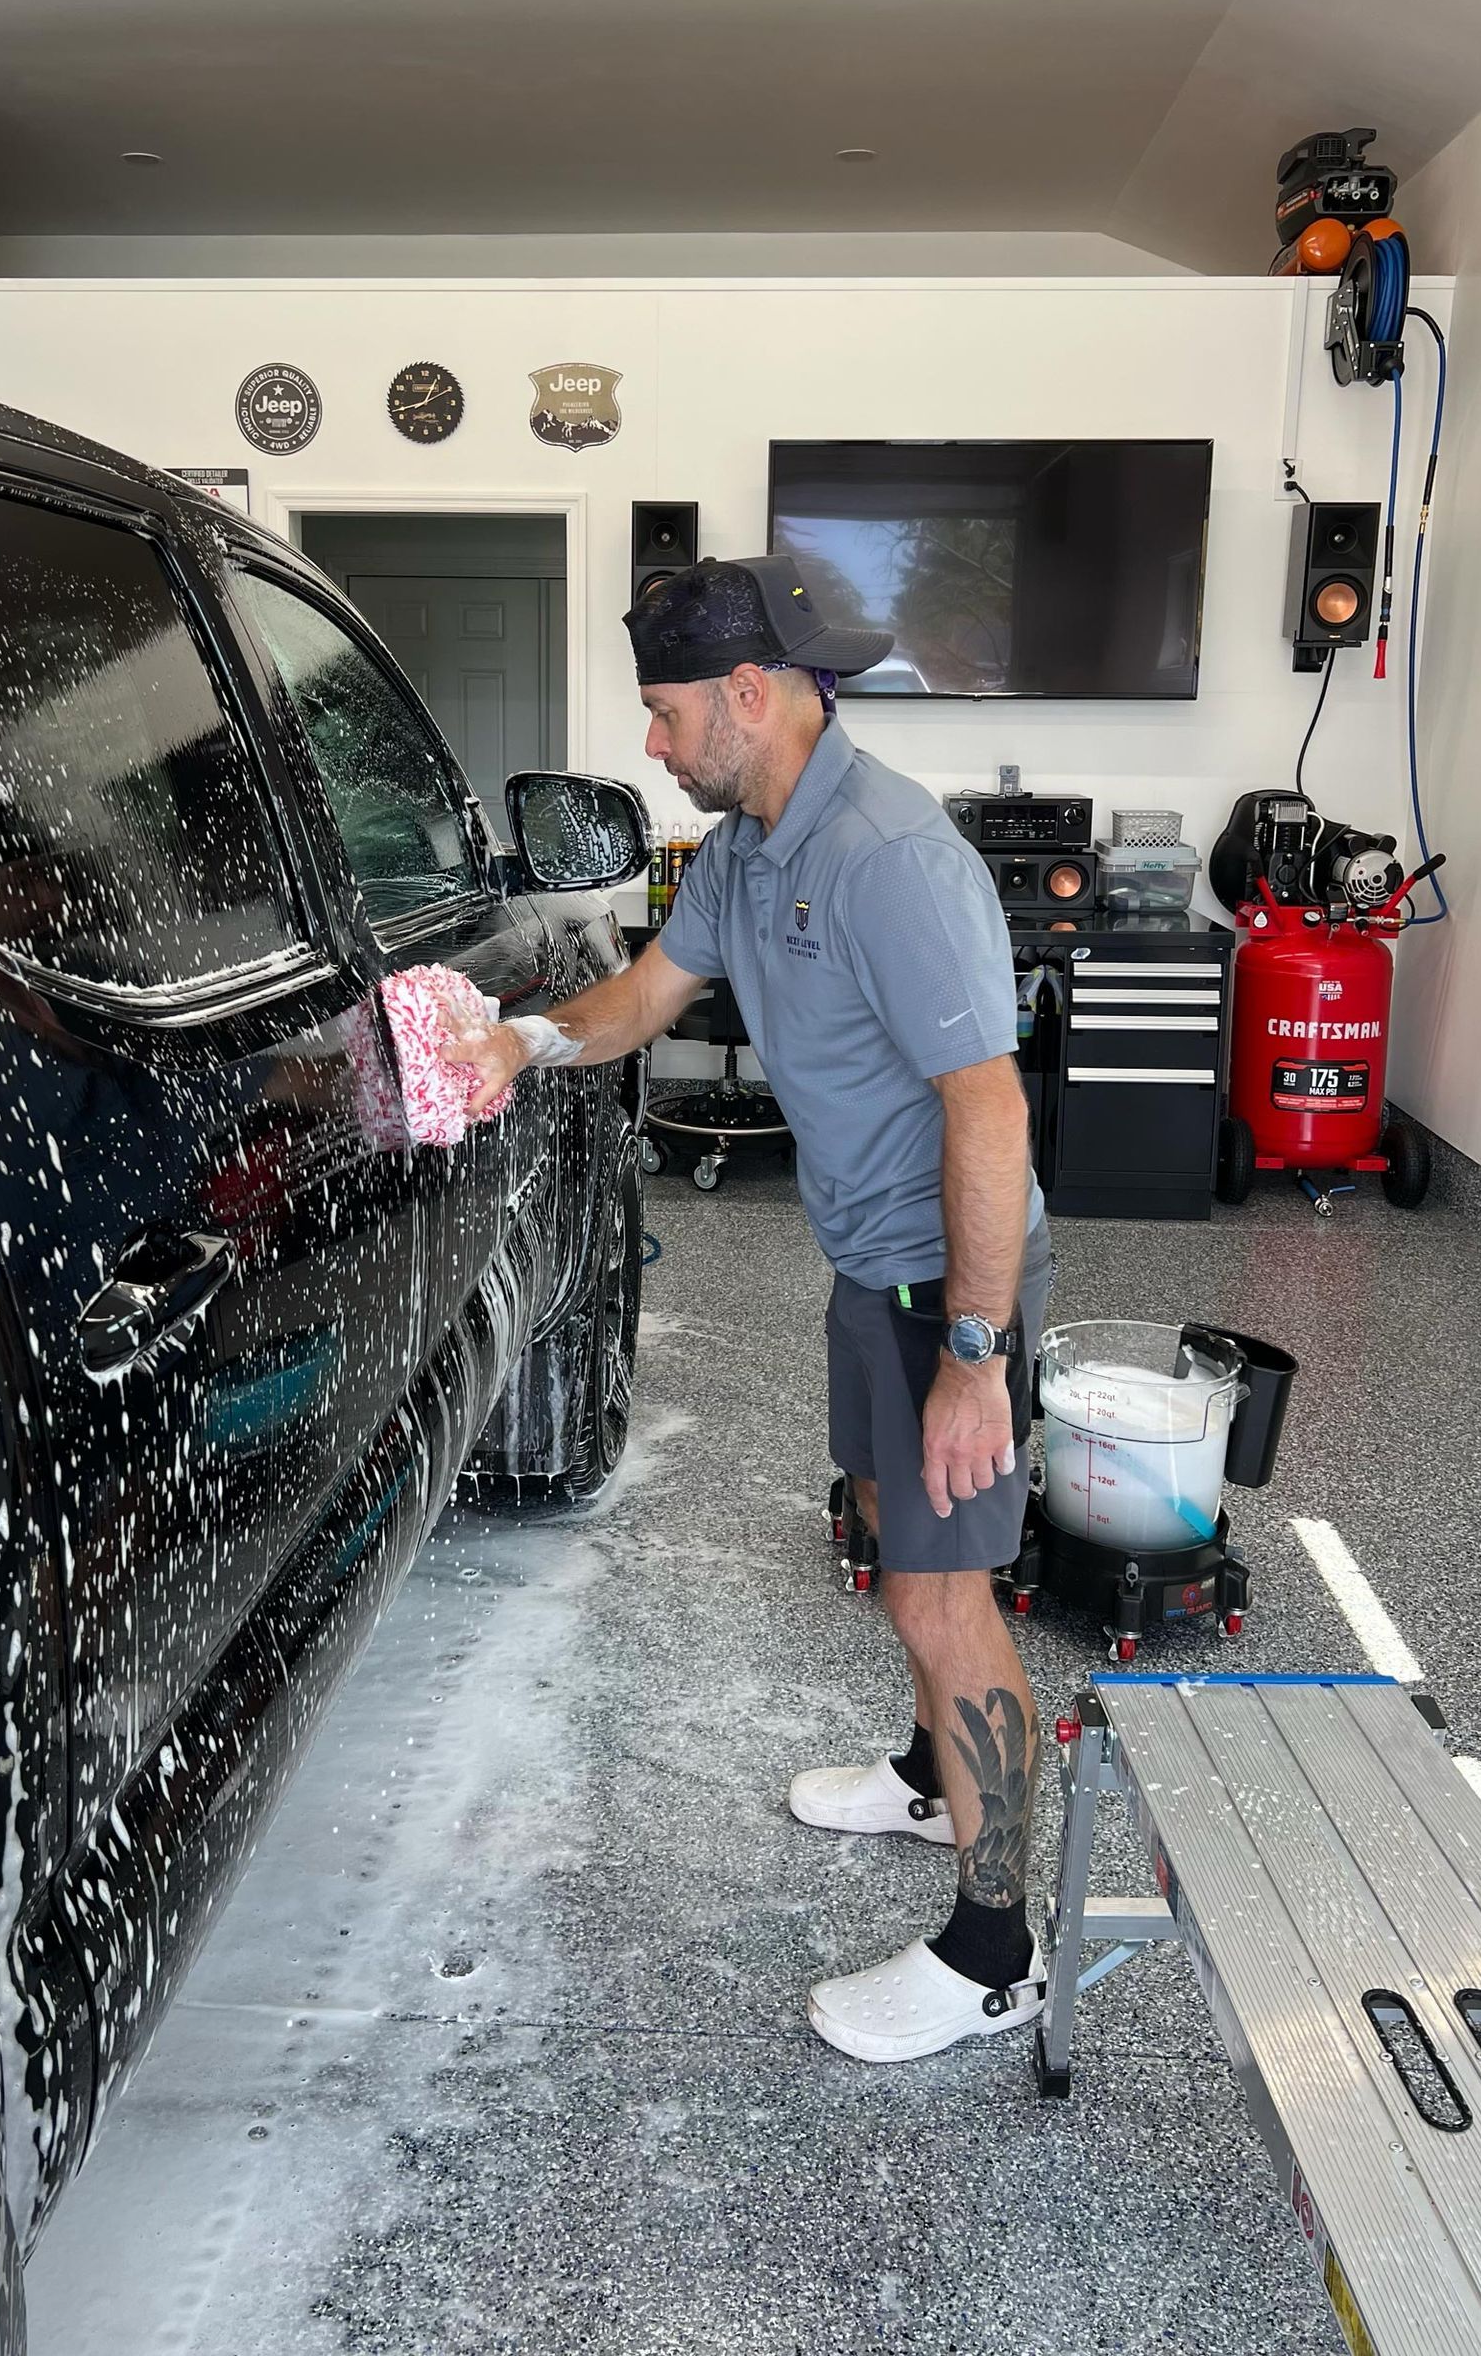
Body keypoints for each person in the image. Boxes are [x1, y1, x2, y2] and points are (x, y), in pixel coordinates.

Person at [445, 553, 1055, 2062]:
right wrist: (521, 1041)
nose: (650, 747)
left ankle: (998, 1950)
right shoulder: (744, 849)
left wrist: (975, 1359)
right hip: (871, 1267)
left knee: (941, 1593)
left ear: (748, 693)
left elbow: (990, 1114)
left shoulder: (889, 859)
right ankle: (931, 1783)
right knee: (882, 1531)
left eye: (662, 715)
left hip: (952, 1285)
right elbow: (647, 996)